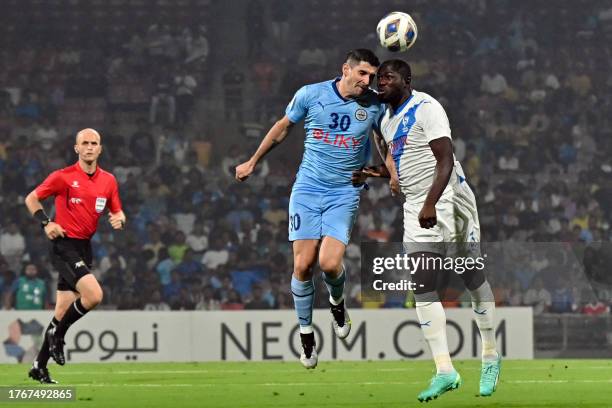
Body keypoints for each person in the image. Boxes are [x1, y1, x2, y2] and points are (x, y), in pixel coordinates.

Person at [352, 60, 501, 400]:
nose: (381, 82)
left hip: (447, 195)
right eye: (379, 78)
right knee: (421, 281)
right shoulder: (386, 120)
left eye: (388, 77)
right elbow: (402, 166)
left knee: (471, 276)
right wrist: (372, 173)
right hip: (415, 202)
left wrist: (431, 203)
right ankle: (445, 370)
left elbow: (445, 159)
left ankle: (490, 354)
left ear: (406, 81)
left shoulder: (426, 107)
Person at [235, 49, 382, 369]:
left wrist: (387, 174)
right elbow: (282, 127)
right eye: (362, 74)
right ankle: (306, 335)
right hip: (307, 190)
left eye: (371, 76)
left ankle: (338, 304)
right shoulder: (310, 94)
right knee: (302, 266)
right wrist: (253, 161)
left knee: (329, 264)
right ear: (346, 69)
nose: (367, 81)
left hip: (344, 192)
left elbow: (386, 144)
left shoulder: (374, 105)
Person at [24, 128, 125, 384]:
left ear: (100, 149)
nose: (90, 147)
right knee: (94, 295)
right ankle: (57, 336)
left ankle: (39, 366)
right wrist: (46, 223)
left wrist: (120, 218)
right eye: (85, 143)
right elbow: (32, 198)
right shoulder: (64, 177)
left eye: (94, 143)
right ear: (76, 148)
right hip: (63, 244)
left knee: (62, 310)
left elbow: (116, 210)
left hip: (84, 247)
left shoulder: (109, 180)